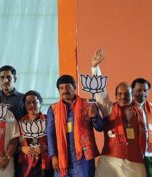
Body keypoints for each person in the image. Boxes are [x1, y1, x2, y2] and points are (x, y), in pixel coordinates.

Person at [91, 49, 147, 177]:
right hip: (111, 162)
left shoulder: (141, 112)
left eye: (127, 94)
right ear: (115, 96)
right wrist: (95, 68)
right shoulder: (109, 108)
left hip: (135, 163)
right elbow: (100, 93)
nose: (123, 97)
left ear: (133, 95)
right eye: (120, 94)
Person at [47, 74, 102, 177]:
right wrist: (53, 156)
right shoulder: (53, 109)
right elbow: (50, 134)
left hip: (83, 157)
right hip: (62, 156)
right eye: (61, 88)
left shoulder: (88, 104)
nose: (65, 90)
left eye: (68, 87)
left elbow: (100, 127)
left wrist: (95, 117)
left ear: (74, 88)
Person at [0, 39, 24, 120]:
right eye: (2, 78)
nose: (5, 81)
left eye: (8, 78)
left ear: (15, 79)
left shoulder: (23, 98)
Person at [19, 90, 52, 177]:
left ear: (40, 103)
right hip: (27, 163)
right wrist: (22, 148)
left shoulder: (48, 120)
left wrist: (45, 147)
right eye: (28, 103)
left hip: (45, 162)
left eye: (34, 102)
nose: (32, 105)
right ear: (24, 105)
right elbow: (14, 143)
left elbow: (57, 140)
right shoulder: (20, 122)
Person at [131, 77, 152, 177]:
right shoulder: (126, 109)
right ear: (132, 91)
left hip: (150, 154)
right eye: (139, 90)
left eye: (145, 90)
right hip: (135, 156)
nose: (143, 93)